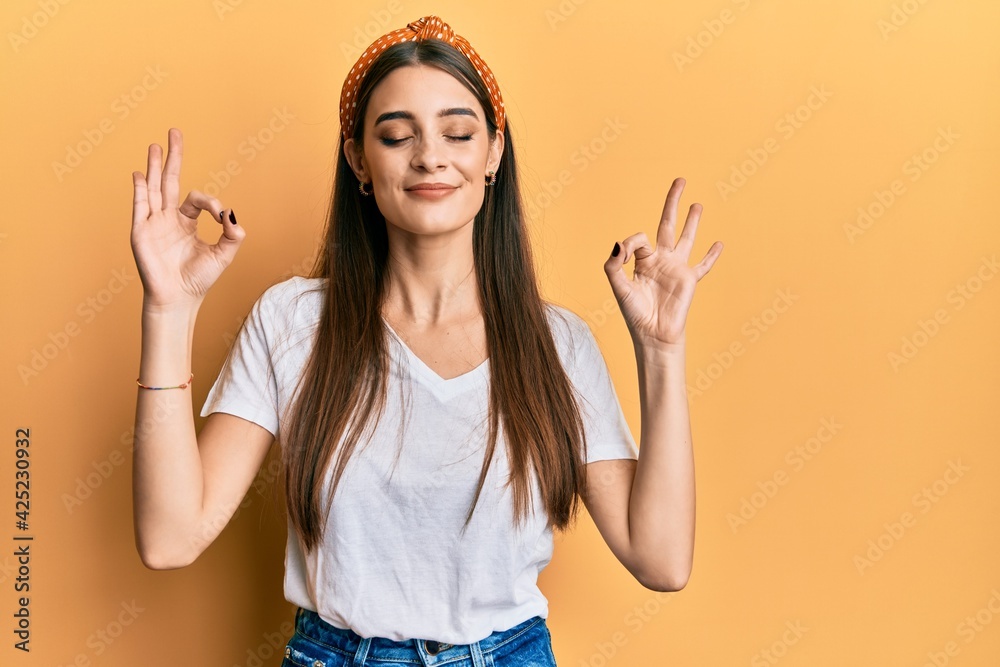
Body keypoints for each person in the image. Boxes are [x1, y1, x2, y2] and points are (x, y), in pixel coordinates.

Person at [129, 15, 722, 667]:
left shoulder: (557, 344)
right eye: (395, 135)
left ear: (493, 153)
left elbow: (661, 558)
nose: (430, 156)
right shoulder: (292, 321)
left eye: (459, 131)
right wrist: (168, 310)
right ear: (358, 158)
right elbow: (170, 537)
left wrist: (661, 353)